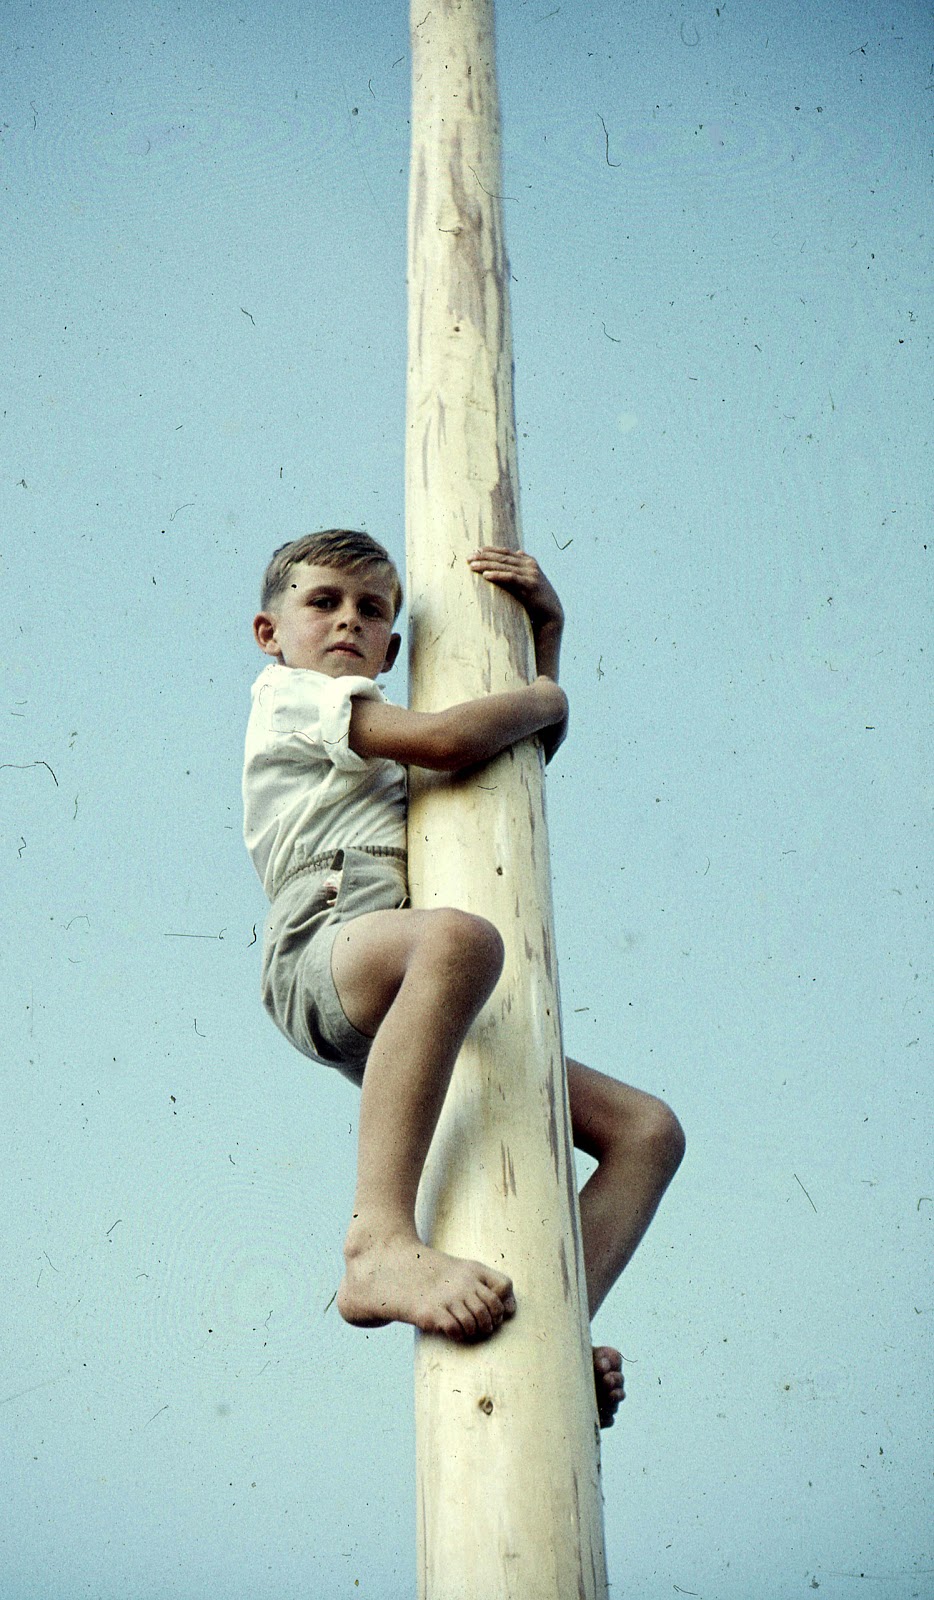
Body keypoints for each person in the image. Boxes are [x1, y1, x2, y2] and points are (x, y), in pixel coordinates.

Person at [243, 528, 684, 1428]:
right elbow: (450, 738)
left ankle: (553, 1326)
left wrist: (544, 641)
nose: (348, 621)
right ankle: (376, 1241)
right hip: (323, 941)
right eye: (323, 602)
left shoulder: (370, 737)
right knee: (459, 941)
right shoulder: (290, 698)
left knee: (646, 1130)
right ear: (269, 633)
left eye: (372, 611)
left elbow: (506, 763)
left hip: (399, 978)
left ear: (392, 650)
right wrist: (549, 692)